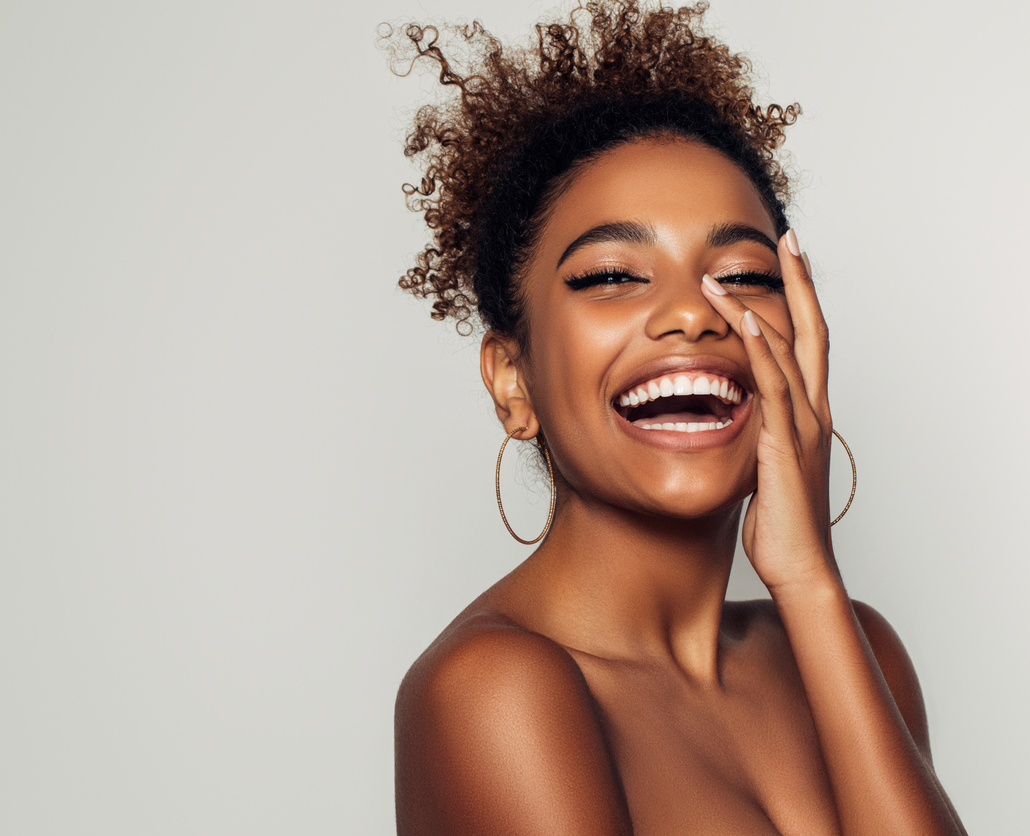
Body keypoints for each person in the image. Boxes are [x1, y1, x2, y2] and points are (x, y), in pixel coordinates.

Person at [388, 2, 966, 833]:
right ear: (513, 380)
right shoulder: (493, 689)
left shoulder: (858, 649)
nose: (694, 313)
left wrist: (809, 585)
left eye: (742, 273)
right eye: (613, 275)